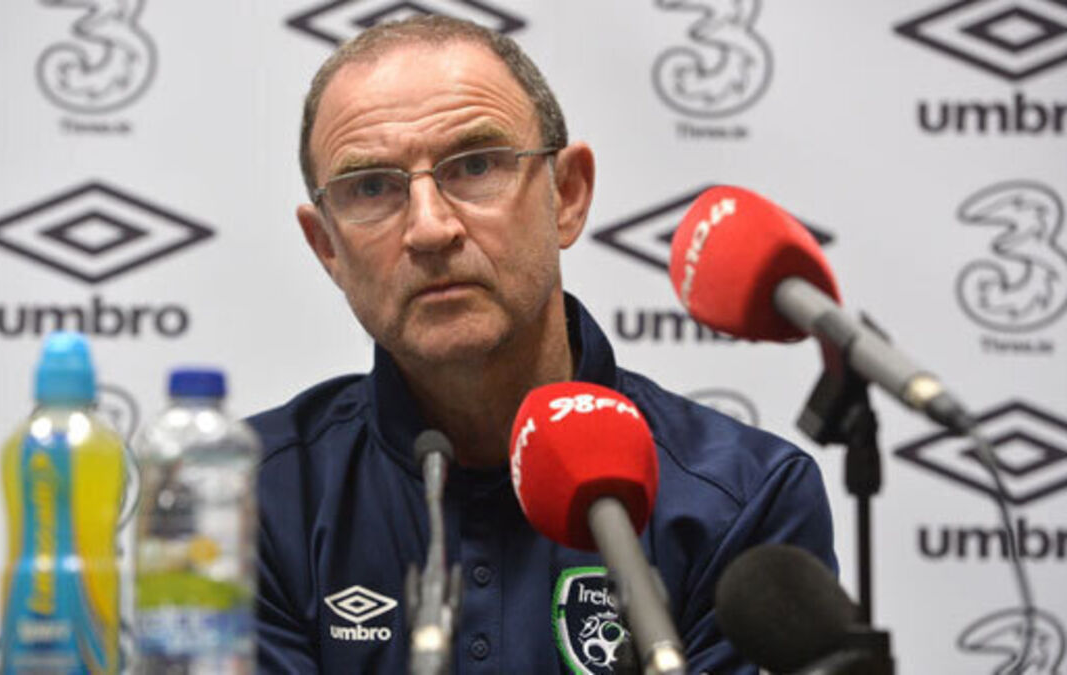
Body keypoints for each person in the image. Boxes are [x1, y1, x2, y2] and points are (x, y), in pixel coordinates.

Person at [248, 15, 836, 674]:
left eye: (475, 166)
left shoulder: (742, 498)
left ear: (568, 195)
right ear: (327, 246)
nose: (430, 228)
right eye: (372, 187)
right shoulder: (248, 498)